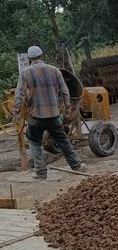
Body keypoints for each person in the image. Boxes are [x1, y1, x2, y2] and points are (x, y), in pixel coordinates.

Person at [12, 45, 86, 180]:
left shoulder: (25, 72)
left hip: (36, 116)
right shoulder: (55, 70)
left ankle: (41, 172)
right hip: (54, 115)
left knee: (34, 141)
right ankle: (76, 166)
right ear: (42, 56)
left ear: (29, 58)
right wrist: (68, 107)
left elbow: (19, 94)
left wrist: (16, 112)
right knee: (63, 140)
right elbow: (65, 90)